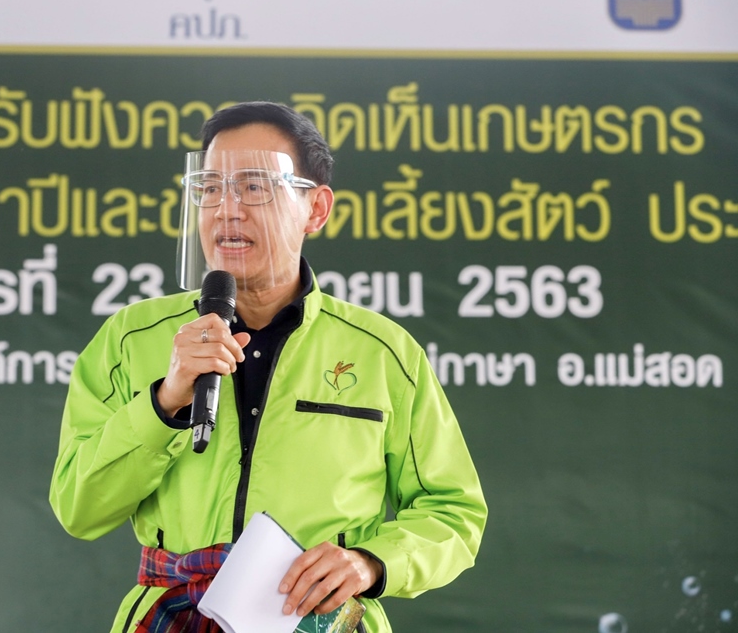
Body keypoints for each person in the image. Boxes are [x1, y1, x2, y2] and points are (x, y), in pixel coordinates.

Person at [50, 101, 487, 633]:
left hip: (317, 621)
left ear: (316, 209)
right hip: (173, 616)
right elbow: (79, 507)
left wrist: (372, 562)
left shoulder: (383, 352)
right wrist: (164, 403)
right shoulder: (131, 338)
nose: (226, 210)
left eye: (254, 187)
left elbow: (454, 512)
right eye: (211, 188)